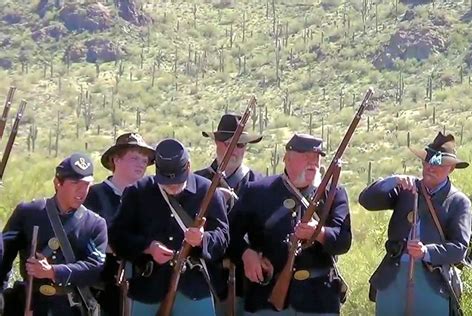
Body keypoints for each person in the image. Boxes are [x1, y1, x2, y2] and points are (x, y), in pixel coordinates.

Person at [229, 133, 352, 315]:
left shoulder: (334, 193)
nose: (313, 162)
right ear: (286, 158)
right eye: (305, 156)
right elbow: (228, 234)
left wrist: (318, 233)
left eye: (316, 157)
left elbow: (343, 241)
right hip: (266, 297)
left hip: (319, 299)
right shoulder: (257, 191)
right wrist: (246, 254)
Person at [109, 138, 229, 316]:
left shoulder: (207, 191)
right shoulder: (138, 192)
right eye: (166, 181)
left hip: (195, 288)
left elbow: (224, 237)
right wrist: (148, 248)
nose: (172, 186)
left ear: (188, 166)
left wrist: (203, 239)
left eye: (177, 180)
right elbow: (117, 236)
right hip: (148, 288)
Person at [358, 132, 472, 316]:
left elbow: (459, 249)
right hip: (392, 277)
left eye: (438, 164)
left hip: (432, 281)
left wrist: (426, 252)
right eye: (428, 162)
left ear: (451, 169)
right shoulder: (406, 189)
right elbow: (366, 200)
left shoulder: (459, 202)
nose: (430, 168)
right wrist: (392, 181)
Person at [1, 153, 107, 316]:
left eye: (86, 184)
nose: (82, 190)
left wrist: (53, 272)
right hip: (30, 305)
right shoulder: (28, 213)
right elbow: (3, 257)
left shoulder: (94, 224)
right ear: (58, 183)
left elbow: (95, 267)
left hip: (71, 309)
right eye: (75, 183)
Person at [195, 113, 263, 316]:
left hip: (247, 281)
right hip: (205, 280)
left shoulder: (260, 184)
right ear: (216, 142)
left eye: (240, 145)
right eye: (228, 143)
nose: (234, 149)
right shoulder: (196, 182)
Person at [84, 132, 155, 316]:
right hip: (103, 288)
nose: (141, 164)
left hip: (143, 288)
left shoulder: (151, 198)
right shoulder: (94, 196)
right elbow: (84, 239)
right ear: (115, 159)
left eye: (144, 160)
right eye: (134, 158)